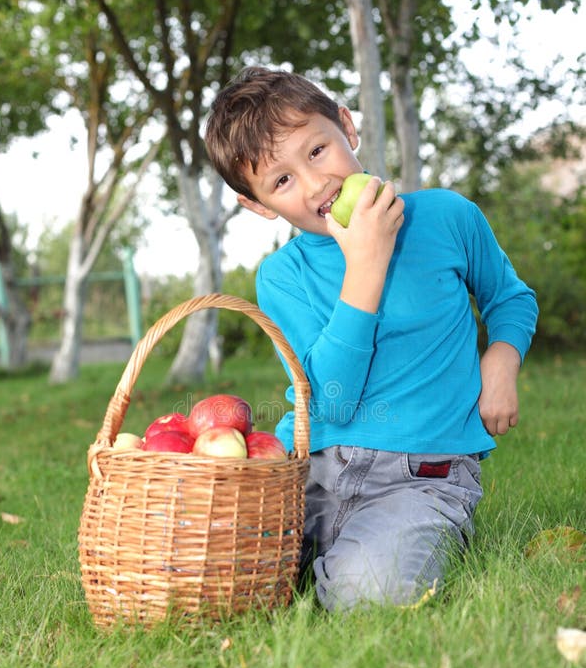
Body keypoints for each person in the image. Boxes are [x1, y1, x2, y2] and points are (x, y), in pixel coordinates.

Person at [204, 66, 538, 612]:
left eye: (316, 151)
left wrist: (500, 360)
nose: (316, 184)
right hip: (303, 469)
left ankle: (385, 548)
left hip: (419, 477)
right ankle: (315, 559)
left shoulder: (447, 217)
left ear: (346, 126)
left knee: (366, 594)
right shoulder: (281, 276)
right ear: (260, 206)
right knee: (210, 570)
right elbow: (333, 399)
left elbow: (510, 297)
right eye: (281, 181)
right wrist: (366, 265)